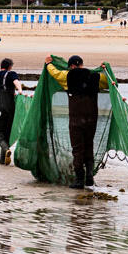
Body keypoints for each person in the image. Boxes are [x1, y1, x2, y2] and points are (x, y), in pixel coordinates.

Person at [44, 55, 108, 189]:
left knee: (77, 148)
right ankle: (89, 176)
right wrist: (104, 69)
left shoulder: (67, 76)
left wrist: (49, 63)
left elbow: (54, 73)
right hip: (91, 118)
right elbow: (109, 82)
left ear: (72, 66)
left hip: (76, 119)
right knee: (89, 145)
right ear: (82, 65)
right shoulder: (96, 77)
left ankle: (79, 179)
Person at [0, 58, 24, 165]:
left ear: (1, 66)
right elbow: (16, 82)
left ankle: (5, 149)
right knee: (6, 133)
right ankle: (3, 159)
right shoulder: (11, 74)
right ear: (10, 66)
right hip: (9, 109)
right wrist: (20, 91)